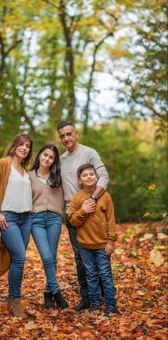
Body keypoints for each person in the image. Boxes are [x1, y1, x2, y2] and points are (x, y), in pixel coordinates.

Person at [57, 120, 109, 311]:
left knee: (98, 254)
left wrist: (93, 199)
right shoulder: (61, 160)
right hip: (73, 215)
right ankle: (87, 297)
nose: (66, 138)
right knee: (80, 258)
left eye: (69, 134)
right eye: (62, 135)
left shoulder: (89, 153)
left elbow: (104, 175)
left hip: (93, 213)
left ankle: (103, 295)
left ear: (76, 134)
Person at [0, 133, 33, 318]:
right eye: (21, 144)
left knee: (17, 259)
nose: (24, 148)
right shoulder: (3, 164)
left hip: (26, 218)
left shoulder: (24, 169)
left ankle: (12, 298)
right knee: (20, 257)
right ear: (14, 145)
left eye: (28, 146)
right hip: (8, 218)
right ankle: (15, 300)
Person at [68, 163, 117, 317]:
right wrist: (83, 211)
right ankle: (95, 302)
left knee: (105, 274)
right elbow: (72, 221)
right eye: (85, 175)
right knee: (90, 274)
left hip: (102, 245)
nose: (89, 177)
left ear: (97, 177)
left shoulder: (105, 196)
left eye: (91, 174)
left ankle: (110, 304)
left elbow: (111, 221)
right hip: (84, 246)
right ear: (79, 180)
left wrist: (111, 241)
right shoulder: (77, 197)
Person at [29, 143, 68, 309]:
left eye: (51, 157)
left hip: (54, 220)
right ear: (39, 156)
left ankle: (47, 293)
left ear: (54, 161)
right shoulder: (28, 176)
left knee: (52, 257)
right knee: (46, 256)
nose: (47, 158)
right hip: (35, 220)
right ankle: (56, 292)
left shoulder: (59, 177)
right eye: (45, 155)